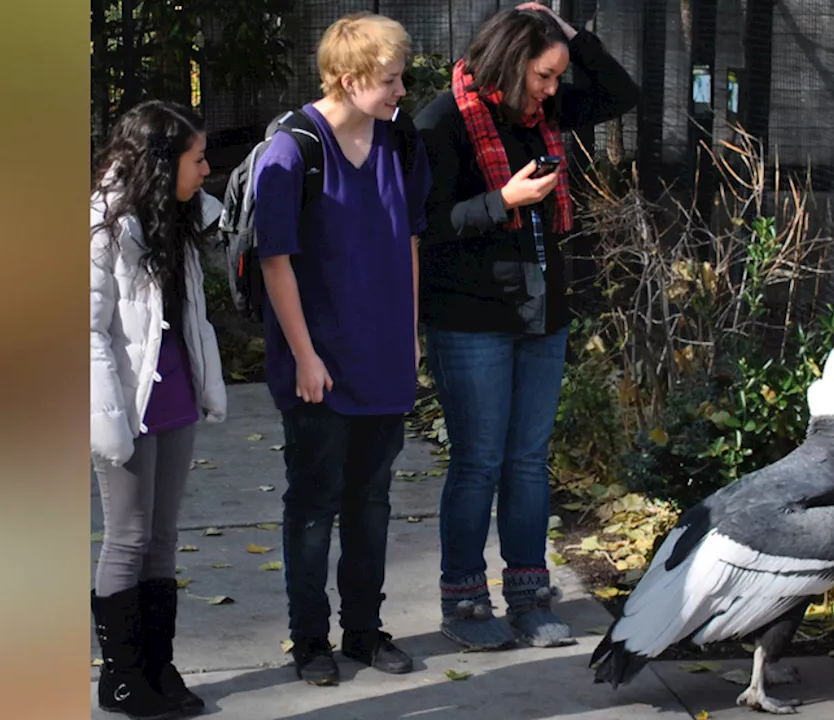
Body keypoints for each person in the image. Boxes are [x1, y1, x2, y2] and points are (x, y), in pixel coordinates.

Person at [413, 3, 638, 651]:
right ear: (511, 64)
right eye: (543, 74)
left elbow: (621, 93)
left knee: (527, 462)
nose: (550, 89)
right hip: (471, 319)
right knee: (479, 462)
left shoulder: (540, 112)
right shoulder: (442, 121)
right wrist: (502, 203)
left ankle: (530, 597)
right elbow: (427, 228)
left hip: (543, 312)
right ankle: (464, 601)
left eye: (556, 75)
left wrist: (566, 33)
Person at [252, 12, 431, 686]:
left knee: (372, 501)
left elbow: (409, 240)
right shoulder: (293, 151)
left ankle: (363, 631)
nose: (401, 91)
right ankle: (309, 642)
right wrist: (303, 355)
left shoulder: (398, 141)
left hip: (382, 355)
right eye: (389, 80)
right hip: (317, 363)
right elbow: (276, 262)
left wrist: (408, 334)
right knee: (313, 503)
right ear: (350, 79)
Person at [90, 99, 229, 719]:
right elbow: (86, 332)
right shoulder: (103, 227)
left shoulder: (179, 216)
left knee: (164, 538)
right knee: (128, 537)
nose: (206, 170)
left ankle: (156, 663)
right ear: (159, 162)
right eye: (196, 159)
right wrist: (104, 418)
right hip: (125, 402)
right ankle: (120, 678)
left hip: (174, 394)